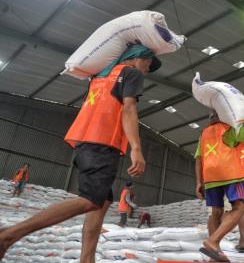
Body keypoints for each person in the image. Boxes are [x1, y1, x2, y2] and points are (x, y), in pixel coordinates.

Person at [0, 44, 161, 262]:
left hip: (84, 143)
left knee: (100, 204)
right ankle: (9, 235)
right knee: (90, 201)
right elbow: (128, 108)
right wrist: (137, 149)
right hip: (103, 144)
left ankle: (87, 259)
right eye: (148, 64)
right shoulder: (130, 73)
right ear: (136, 58)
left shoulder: (99, 79)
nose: (147, 70)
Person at [195, 110, 244, 262]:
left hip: (210, 176)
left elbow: (198, 158)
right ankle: (213, 241)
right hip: (231, 174)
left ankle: (214, 256)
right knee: (240, 207)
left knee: (215, 212)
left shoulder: (204, 133)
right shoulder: (230, 128)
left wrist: (198, 182)